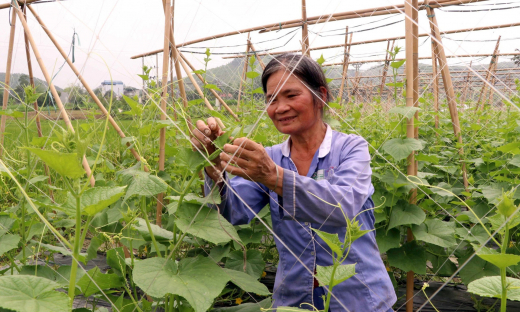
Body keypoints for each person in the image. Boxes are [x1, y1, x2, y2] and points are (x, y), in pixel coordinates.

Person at [192, 54, 396, 312]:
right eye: (271, 99)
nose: (280, 107)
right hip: (294, 300)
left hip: (359, 299)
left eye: (291, 95)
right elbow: (231, 214)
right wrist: (214, 172)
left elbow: (344, 206)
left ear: (319, 95)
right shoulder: (271, 158)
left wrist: (275, 177)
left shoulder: (350, 148)